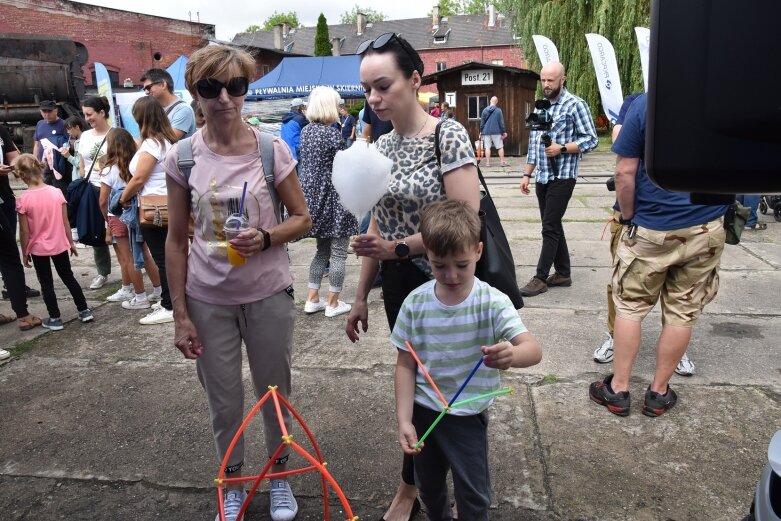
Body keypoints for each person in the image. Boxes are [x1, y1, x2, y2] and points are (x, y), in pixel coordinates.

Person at [164, 44, 312, 521]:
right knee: (224, 402)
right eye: (212, 88)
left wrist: (266, 237)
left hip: (267, 294)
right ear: (196, 93)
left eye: (236, 86)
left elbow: (303, 218)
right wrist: (179, 314)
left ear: (246, 89)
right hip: (209, 300)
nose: (225, 97)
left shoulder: (272, 148)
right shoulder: (183, 157)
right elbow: (174, 239)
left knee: (274, 396)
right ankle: (232, 481)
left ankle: (280, 475)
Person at [346, 32, 480, 521]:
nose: (374, 98)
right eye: (367, 90)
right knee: (415, 385)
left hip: (447, 281)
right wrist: (360, 293)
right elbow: (376, 225)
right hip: (402, 287)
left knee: (447, 385)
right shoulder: (379, 145)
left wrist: (398, 248)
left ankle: (447, 480)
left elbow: (466, 219)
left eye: (383, 86)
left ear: (415, 80)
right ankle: (415, 482)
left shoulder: (447, 135)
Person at [392, 200, 541, 521]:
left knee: (474, 494)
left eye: (461, 264)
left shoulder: (492, 302)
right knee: (429, 488)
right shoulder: (415, 304)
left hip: (468, 416)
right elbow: (405, 364)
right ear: (426, 254)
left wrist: (512, 355)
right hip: (425, 410)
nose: (451, 275)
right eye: (438, 265)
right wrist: (404, 419)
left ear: (477, 251)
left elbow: (533, 349)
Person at [589, 93, 728, 418]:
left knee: (630, 307)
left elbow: (624, 172)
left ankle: (619, 389)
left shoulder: (646, 104)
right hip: (706, 227)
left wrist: (626, 215)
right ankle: (658, 393)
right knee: (682, 311)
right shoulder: (724, 102)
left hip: (651, 226)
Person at [593, 94, 696, 377]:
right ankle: (615, 338)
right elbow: (619, 142)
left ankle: (674, 350)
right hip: (639, 215)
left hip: (687, 218)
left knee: (678, 298)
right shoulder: (638, 102)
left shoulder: (708, 100)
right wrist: (626, 217)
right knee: (621, 287)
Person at [519, 61, 598, 297]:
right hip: (542, 176)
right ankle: (563, 273)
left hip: (563, 176)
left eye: (550, 80)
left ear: (563, 79)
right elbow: (534, 144)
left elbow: (591, 139)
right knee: (553, 224)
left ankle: (540, 277)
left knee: (549, 226)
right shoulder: (541, 107)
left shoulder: (576, 105)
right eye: (543, 80)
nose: (545, 84)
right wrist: (526, 173)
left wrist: (562, 148)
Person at [14, 154, 94, 330]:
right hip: (59, 243)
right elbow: (65, 222)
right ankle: (84, 310)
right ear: (41, 168)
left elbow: (25, 230)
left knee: (46, 282)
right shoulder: (56, 192)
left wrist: (25, 251)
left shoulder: (23, 200)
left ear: (21, 175)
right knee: (68, 276)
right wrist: (70, 242)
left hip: (37, 247)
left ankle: (55, 318)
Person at [299, 86, 358, 318]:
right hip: (335, 197)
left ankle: (312, 299)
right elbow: (344, 165)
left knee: (321, 252)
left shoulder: (306, 132)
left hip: (313, 198)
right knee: (339, 253)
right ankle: (333, 303)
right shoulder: (331, 134)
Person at [118, 96, 175, 324]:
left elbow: (140, 177)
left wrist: (123, 197)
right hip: (168, 204)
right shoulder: (166, 142)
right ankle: (173, 301)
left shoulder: (153, 144)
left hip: (154, 208)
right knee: (171, 256)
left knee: (163, 257)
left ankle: (170, 305)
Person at [99, 128, 161, 308]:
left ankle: (140, 297)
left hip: (118, 217)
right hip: (137, 214)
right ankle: (157, 291)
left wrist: (107, 219)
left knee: (128, 259)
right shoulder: (137, 164)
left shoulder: (109, 170)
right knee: (146, 255)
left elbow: (103, 200)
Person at [0, 125, 41, 334]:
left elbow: (13, 156)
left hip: (4, 199)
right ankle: (23, 316)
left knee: (7, 259)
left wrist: (18, 164)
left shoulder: (1, 130)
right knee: (9, 261)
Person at [78, 96, 112, 290]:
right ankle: (102, 272)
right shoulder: (85, 136)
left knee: (118, 234)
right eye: (84, 114)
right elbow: (83, 164)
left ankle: (130, 270)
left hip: (113, 188)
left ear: (102, 112)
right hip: (92, 188)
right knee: (97, 234)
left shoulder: (117, 133)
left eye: (90, 114)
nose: (87, 118)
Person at [140, 68, 196, 140]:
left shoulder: (183, 110)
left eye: (148, 87)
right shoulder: (156, 109)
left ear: (163, 84)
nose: (146, 92)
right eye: (144, 89)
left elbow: (168, 140)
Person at [32, 100, 71, 194]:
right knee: (44, 192)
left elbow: (71, 142)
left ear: (56, 110)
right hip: (43, 165)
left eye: (49, 111)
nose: (46, 114)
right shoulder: (40, 124)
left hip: (59, 166)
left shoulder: (64, 124)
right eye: (43, 111)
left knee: (61, 192)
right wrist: (34, 160)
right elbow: (36, 144)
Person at [479, 96, 508, 167]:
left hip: (486, 131)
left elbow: (482, 122)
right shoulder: (498, 111)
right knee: (500, 147)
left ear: (490, 101)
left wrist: (481, 131)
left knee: (487, 147)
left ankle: (488, 163)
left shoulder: (485, 110)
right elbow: (501, 122)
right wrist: (503, 131)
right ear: (496, 102)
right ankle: (502, 162)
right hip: (496, 131)